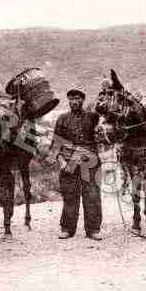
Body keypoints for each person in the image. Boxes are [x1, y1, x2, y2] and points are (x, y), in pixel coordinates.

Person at [53, 89, 103, 241]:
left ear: (83, 100)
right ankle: (67, 228)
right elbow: (56, 142)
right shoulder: (62, 119)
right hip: (69, 162)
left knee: (92, 195)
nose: (74, 102)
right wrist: (61, 160)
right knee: (69, 195)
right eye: (71, 99)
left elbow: (105, 116)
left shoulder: (93, 117)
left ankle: (93, 229)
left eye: (77, 99)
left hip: (90, 162)